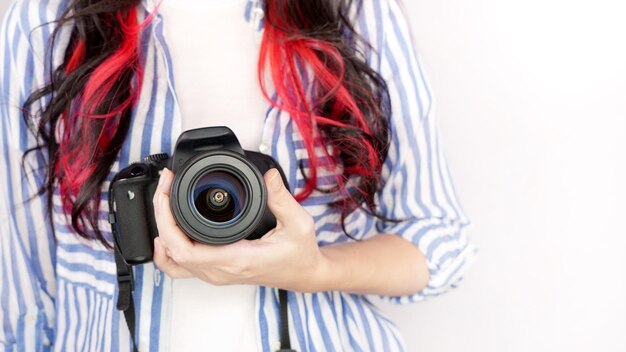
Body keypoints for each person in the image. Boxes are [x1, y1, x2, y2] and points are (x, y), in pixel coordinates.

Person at [0, 0, 477, 350]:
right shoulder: (46, 21)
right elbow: (23, 296)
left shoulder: (353, 11)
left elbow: (439, 241)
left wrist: (314, 271)